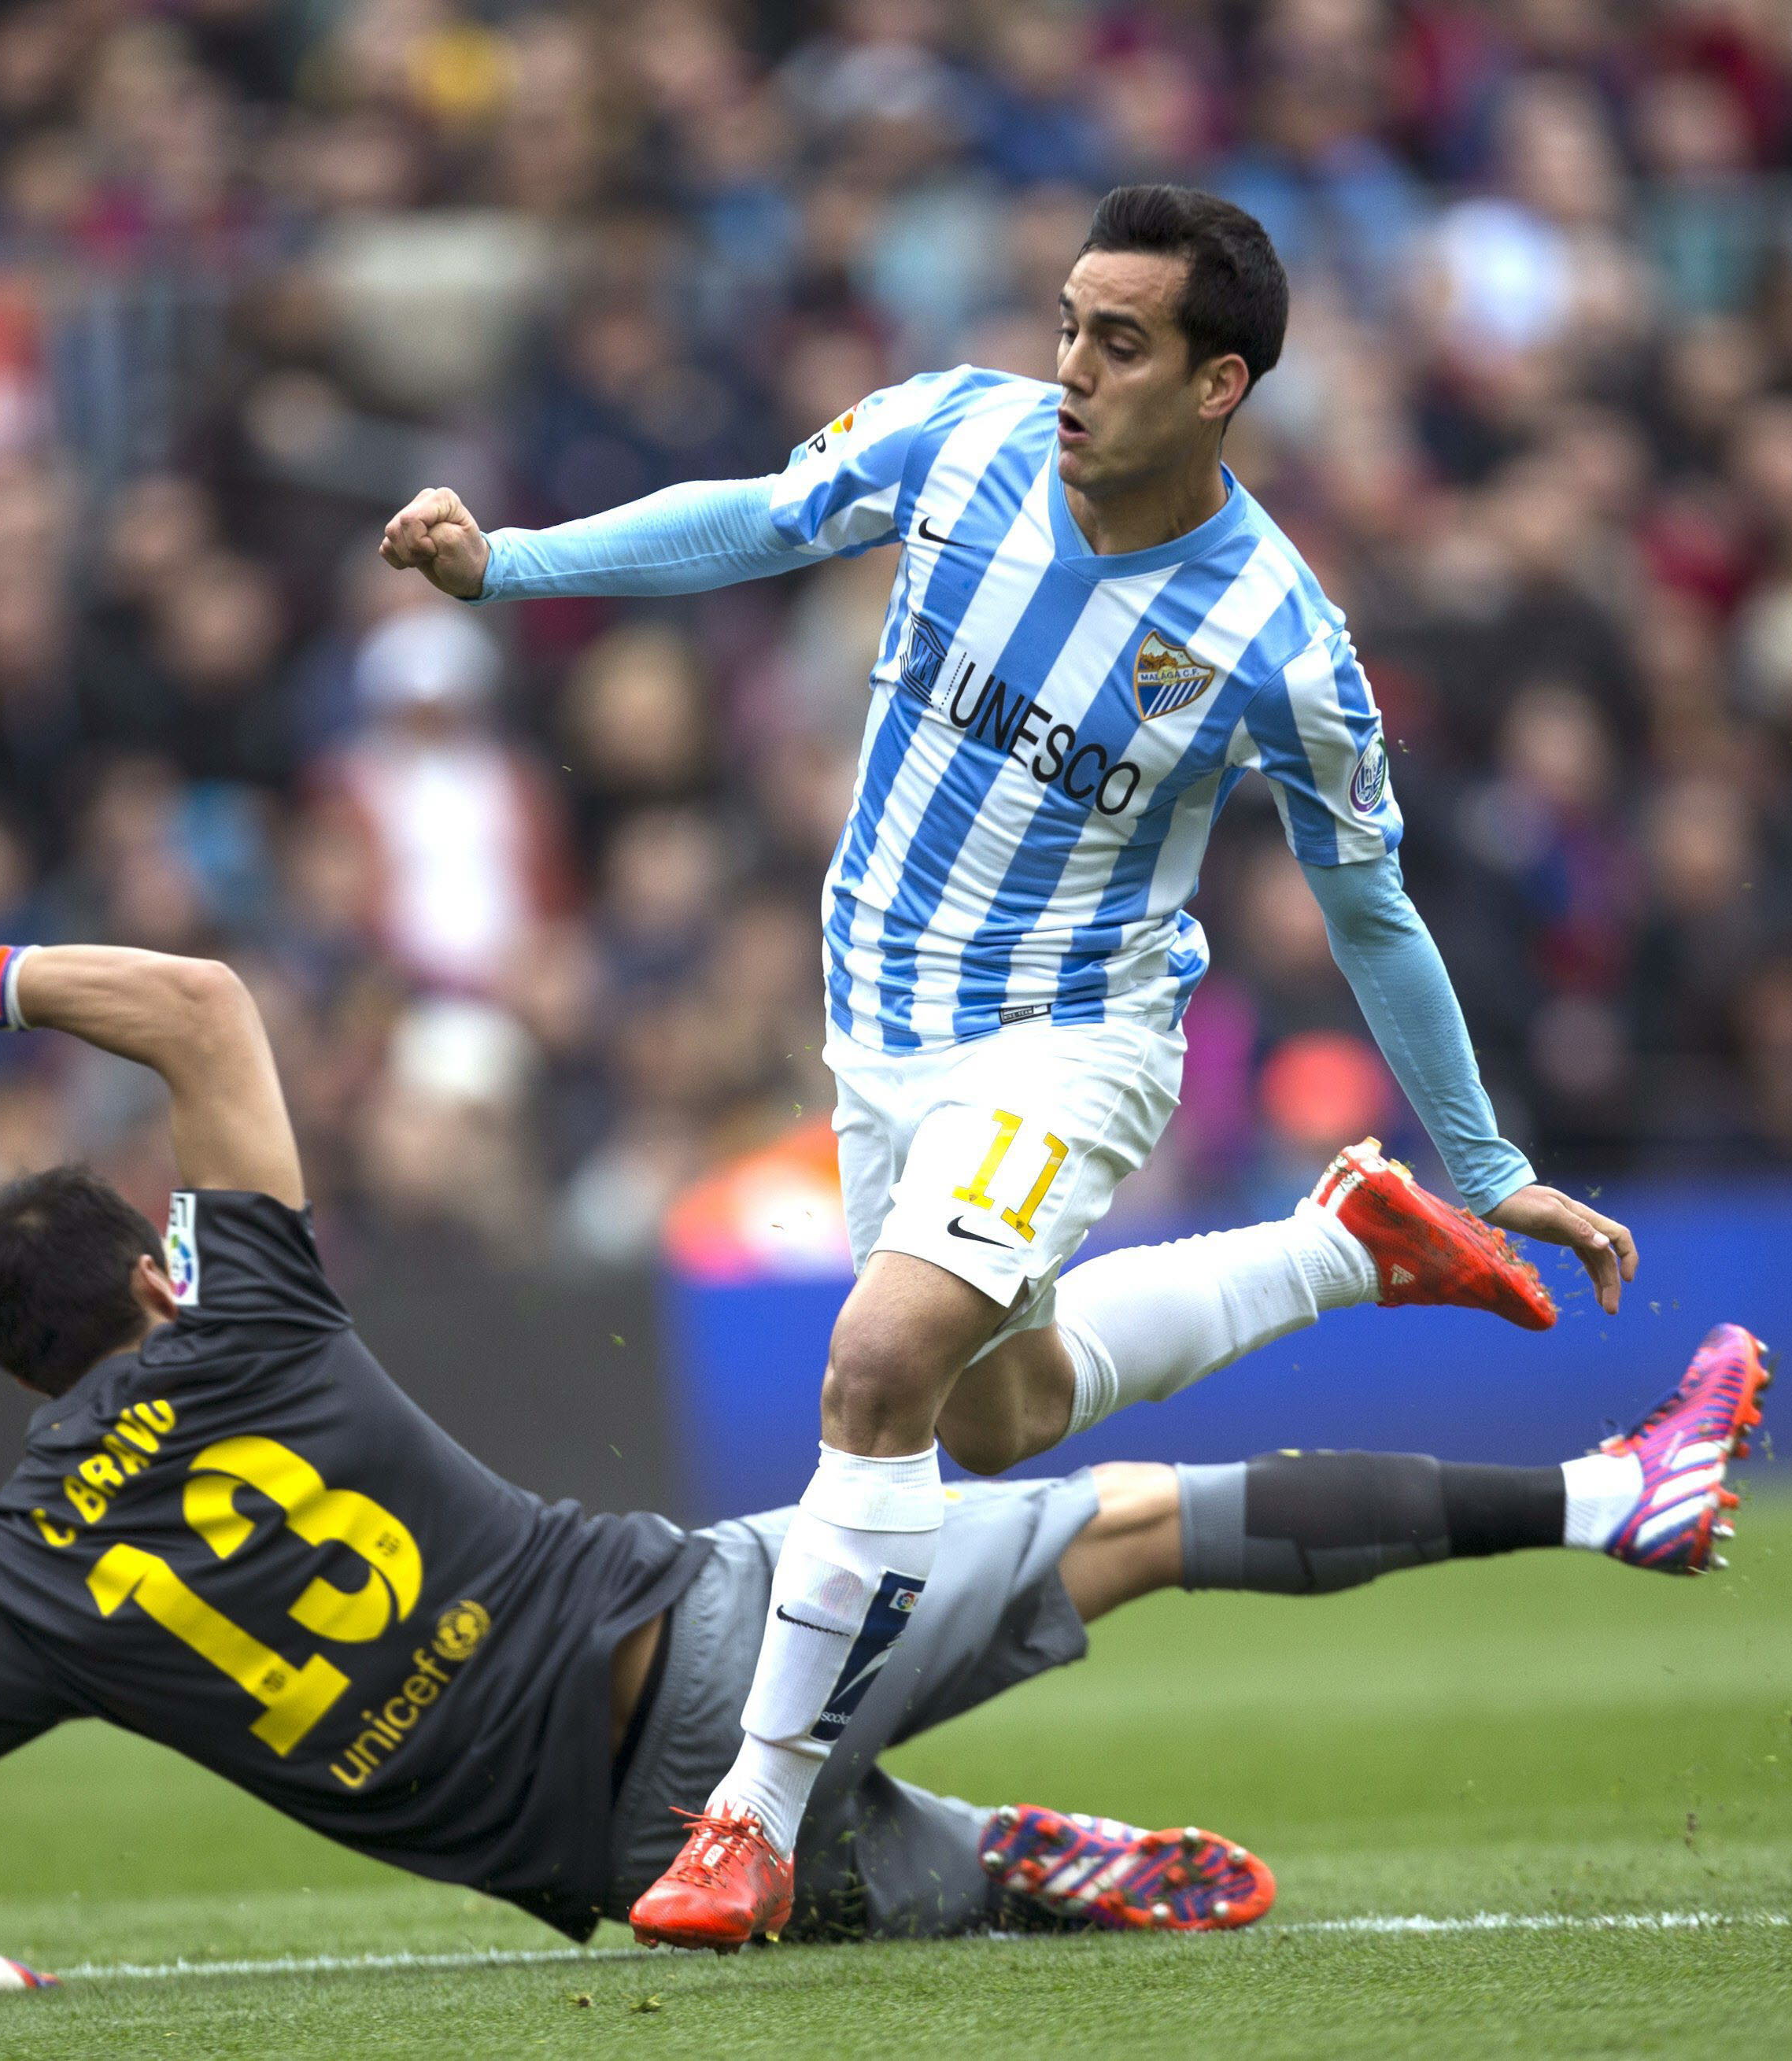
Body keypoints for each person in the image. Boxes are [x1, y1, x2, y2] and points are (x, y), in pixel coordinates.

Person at [377, 183, 1646, 1946]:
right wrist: (508, 561)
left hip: (1072, 1035)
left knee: (879, 1359)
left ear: (1217, 384)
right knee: (1000, 1408)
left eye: (1118, 342)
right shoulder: (953, 438)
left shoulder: (1282, 641)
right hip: (880, 1020)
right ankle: (1349, 1244)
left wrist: (1490, 1152)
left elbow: (1376, 912)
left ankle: (749, 1809)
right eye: (1067, 321)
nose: (1069, 368)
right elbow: (756, 517)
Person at [0, 914, 1762, 1994]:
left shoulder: (14, 1566)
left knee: (911, 1889)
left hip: (617, 1862)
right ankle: (1607, 1493)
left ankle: (994, 1864)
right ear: (154, 1280)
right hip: (714, 1637)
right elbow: (201, 1006)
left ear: (33, 1375)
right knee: (1127, 1520)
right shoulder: (252, 1326)